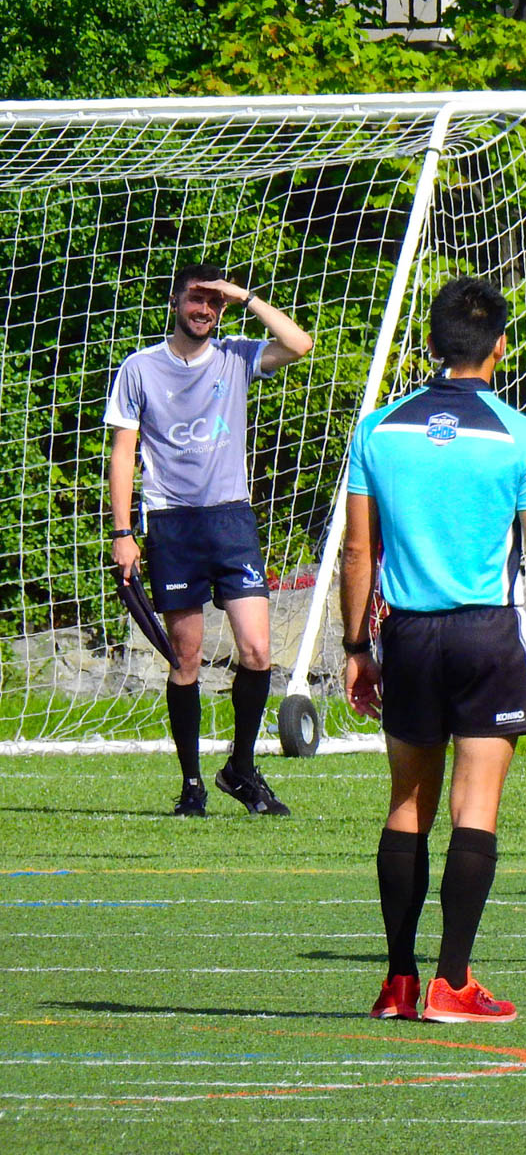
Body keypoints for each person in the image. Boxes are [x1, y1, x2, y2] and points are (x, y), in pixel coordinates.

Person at [339, 276, 526, 1024]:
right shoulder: (524, 437)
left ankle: (399, 982)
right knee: (476, 806)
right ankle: (452, 983)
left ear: (432, 346)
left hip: (406, 635)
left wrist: (356, 646)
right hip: (484, 634)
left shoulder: (379, 428)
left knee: (407, 805)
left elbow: (356, 550)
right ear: (501, 348)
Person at [107, 263, 314, 818]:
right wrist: (124, 531)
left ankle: (240, 769)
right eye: (195, 300)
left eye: (212, 302)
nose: (204, 310)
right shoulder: (139, 368)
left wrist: (243, 297)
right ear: (175, 302)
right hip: (173, 524)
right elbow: (123, 452)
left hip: (230, 519)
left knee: (257, 650)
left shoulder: (235, 355)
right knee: (187, 659)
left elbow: (299, 344)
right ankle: (192, 784)